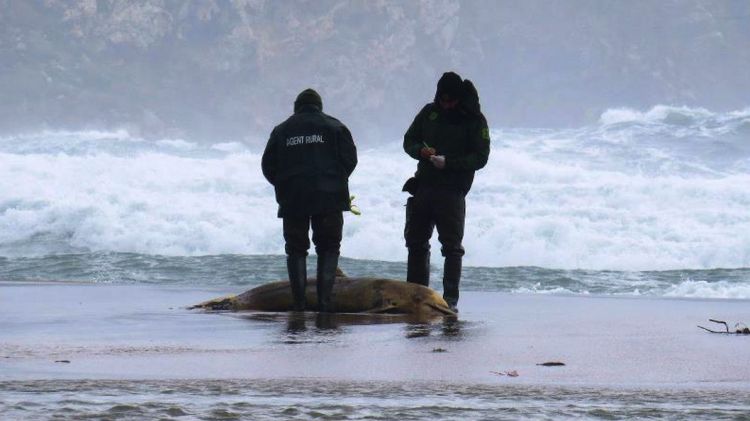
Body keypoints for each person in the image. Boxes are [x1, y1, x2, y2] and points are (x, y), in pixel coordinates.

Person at [262, 88, 357, 312]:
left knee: (295, 249)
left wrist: (284, 184)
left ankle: (300, 304)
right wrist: (335, 181)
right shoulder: (335, 127)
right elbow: (350, 160)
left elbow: (268, 166)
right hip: (330, 197)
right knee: (329, 247)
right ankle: (324, 303)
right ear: (319, 106)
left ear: (297, 107)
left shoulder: (282, 130)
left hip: (293, 198)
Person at [402, 72, 490, 312]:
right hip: (423, 186)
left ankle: (450, 301)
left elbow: (481, 157)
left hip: (452, 191)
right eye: (443, 100)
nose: (446, 105)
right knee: (416, 242)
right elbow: (409, 139)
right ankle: (416, 295)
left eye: (451, 101)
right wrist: (420, 151)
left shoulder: (474, 119)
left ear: (459, 99)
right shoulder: (429, 112)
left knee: (452, 247)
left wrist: (449, 163)